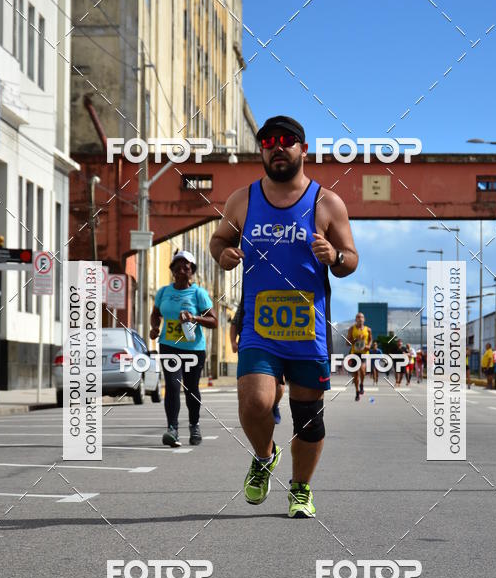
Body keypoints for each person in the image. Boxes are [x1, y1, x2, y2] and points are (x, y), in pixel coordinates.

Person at [210, 114, 358, 518]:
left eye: (286, 141)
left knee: (307, 417)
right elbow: (219, 239)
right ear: (261, 150)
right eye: (268, 142)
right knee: (254, 402)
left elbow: (351, 259)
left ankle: (300, 489)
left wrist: (335, 256)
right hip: (259, 325)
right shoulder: (242, 200)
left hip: (308, 328)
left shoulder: (327, 202)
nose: (277, 147)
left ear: (303, 149)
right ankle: (264, 456)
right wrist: (223, 254)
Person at [149, 250, 218, 447]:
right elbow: (155, 313)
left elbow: (214, 321)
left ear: (192, 271)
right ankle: (172, 429)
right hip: (169, 345)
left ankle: (194, 425)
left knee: (191, 388)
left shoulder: (198, 293)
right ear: (172, 270)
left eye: (186, 267)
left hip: (193, 349)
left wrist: (194, 318)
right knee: (172, 385)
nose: (181, 271)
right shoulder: (163, 292)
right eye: (177, 267)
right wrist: (155, 327)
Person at [231, 292, 285, 423]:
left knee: (279, 382)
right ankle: (255, 414)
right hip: (252, 345)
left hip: (277, 344)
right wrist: (233, 342)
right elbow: (235, 323)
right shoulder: (248, 298)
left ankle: (274, 404)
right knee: (251, 386)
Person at [346, 312, 372, 401]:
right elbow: (347, 342)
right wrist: (356, 340)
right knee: (356, 374)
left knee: (362, 370)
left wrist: (369, 346)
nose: (360, 319)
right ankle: (357, 392)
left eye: (361, 317)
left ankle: (362, 384)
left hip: (364, 353)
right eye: (358, 317)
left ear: (364, 319)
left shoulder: (368, 330)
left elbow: (370, 340)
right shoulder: (351, 329)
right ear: (356, 319)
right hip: (354, 353)